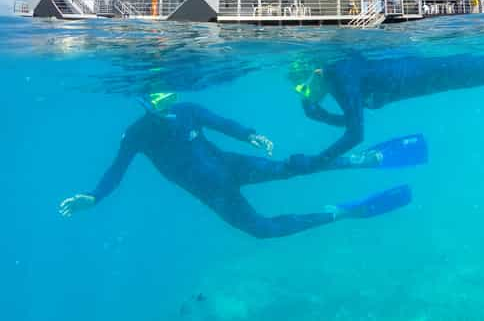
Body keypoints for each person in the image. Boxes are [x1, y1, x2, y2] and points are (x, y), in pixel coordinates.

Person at [59, 93, 426, 239]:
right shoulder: (136, 133)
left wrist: (251, 135)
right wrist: (95, 197)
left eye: (166, 90)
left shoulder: (186, 110)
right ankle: (340, 213)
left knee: (293, 168)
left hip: (231, 166)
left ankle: (362, 160)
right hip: (214, 193)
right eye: (154, 95)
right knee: (262, 231)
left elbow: (221, 123)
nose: (164, 98)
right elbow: (116, 171)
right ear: (142, 100)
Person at [290, 36, 484, 169]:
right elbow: (343, 118)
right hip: (433, 80)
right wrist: (315, 112)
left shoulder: (342, 76)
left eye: (303, 89)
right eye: (297, 92)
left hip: (438, 72)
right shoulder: (333, 81)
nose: (303, 96)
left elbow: (355, 133)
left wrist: (318, 161)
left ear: (316, 72)